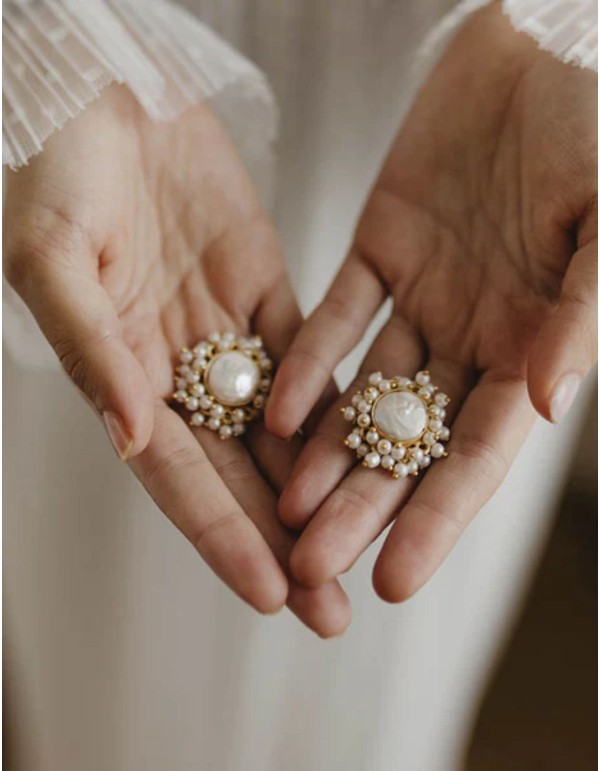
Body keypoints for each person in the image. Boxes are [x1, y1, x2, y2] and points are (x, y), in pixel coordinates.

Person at [3, 1, 597, 769]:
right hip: (113, 65)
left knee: (380, 692)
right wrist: (38, 48)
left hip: (464, 112)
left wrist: (574, 34)